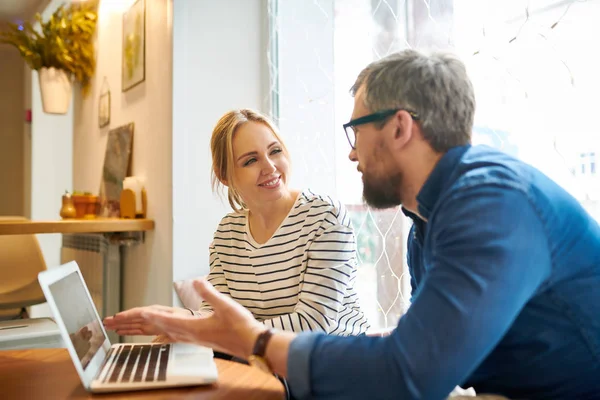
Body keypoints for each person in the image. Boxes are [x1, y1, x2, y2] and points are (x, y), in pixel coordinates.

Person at [124, 49, 600, 400]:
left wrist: (254, 339)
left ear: (398, 128)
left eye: (356, 131)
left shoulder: (490, 206)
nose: (351, 152)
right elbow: (432, 352)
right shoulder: (428, 221)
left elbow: (411, 377)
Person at [104, 109, 369, 341]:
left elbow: (313, 323)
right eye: (251, 160)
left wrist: (207, 331)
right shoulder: (227, 234)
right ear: (225, 176)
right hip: (267, 363)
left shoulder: (325, 217)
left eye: (275, 150)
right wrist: (177, 319)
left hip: (334, 365)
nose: (270, 167)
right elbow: (215, 315)